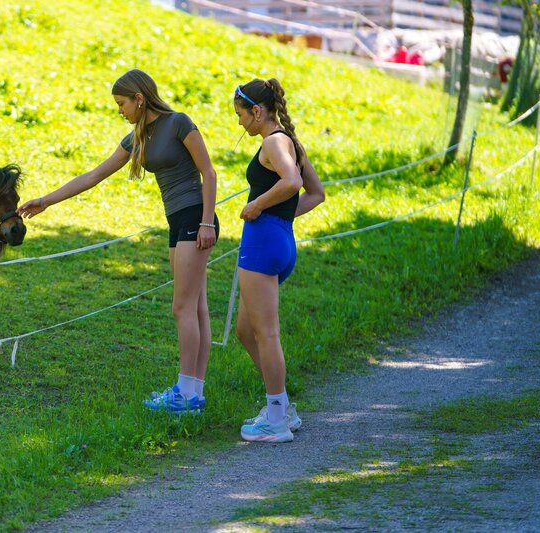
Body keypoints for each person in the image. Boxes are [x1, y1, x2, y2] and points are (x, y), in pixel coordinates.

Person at [18, 69, 218, 415]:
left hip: (194, 218)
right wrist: (46, 200)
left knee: (183, 307)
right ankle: (192, 394)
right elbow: (94, 176)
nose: (120, 110)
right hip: (177, 222)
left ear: (139, 99)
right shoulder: (138, 136)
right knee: (195, 305)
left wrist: (205, 223)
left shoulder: (179, 123)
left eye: (122, 103)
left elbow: (209, 173)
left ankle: (185, 394)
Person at [232, 78, 325, 442]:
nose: (240, 123)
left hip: (263, 243)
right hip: (279, 239)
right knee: (245, 330)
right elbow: (315, 194)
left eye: (241, 115)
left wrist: (257, 205)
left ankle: (275, 418)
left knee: (266, 333)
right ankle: (282, 406)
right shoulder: (291, 141)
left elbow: (291, 182)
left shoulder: (273, 141)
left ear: (257, 111)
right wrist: (282, 218)